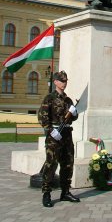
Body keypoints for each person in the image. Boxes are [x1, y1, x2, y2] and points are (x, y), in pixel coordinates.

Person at [38, 71, 80, 208]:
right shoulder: (49, 98)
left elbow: (72, 118)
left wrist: (74, 114)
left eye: (66, 81)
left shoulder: (68, 100)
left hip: (67, 135)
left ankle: (65, 192)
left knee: (68, 164)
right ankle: (46, 193)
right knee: (51, 165)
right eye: (62, 81)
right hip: (54, 137)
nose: (64, 83)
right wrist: (50, 131)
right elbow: (42, 118)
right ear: (55, 81)